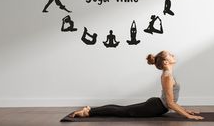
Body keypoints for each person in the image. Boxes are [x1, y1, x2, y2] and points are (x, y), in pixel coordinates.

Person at [68, 51, 204, 120]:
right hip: (155, 107)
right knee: (122, 111)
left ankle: (90, 109)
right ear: (165, 62)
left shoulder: (168, 74)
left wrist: (185, 110)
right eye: (170, 54)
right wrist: (188, 116)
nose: (173, 54)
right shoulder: (167, 76)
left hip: (156, 105)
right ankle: (88, 112)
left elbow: (171, 101)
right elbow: (170, 103)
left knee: (122, 109)